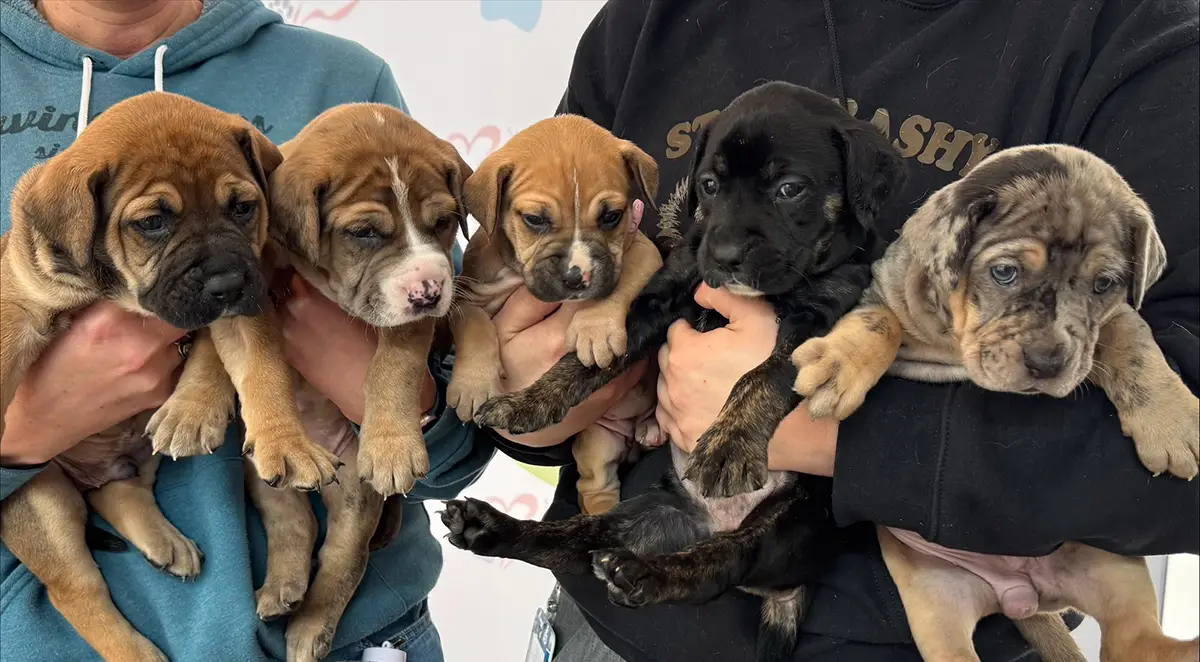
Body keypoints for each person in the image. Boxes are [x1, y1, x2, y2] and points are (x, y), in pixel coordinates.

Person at [486, 0, 1200, 660]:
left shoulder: (1143, 39)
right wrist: (533, 396)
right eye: (710, 189)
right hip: (611, 625)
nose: (726, 238)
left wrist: (841, 437)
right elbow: (527, 312)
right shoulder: (650, 18)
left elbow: (1180, 469)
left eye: (790, 190)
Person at [0, 1, 491, 660]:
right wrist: (26, 436)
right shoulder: (46, 217)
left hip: (353, 639)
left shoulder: (337, 79)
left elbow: (456, 442)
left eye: (242, 208)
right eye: (152, 222)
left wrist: (372, 387)